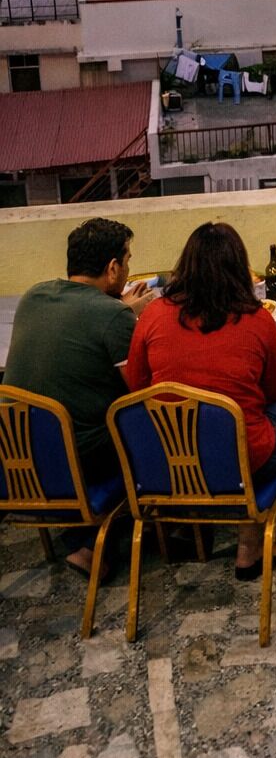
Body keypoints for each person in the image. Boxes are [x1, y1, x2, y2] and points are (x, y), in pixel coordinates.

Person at [126, 222, 276, 580]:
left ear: (185, 266)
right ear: (239, 269)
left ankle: (193, 523)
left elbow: (136, 387)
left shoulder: (151, 316)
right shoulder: (258, 320)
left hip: (169, 465)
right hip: (244, 460)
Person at [4, 217, 153, 577]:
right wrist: (131, 318)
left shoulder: (33, 296)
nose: (128, 267)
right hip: (76, 463)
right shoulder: (112, 316)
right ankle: (98, 540)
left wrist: (120, 308)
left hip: (14, 460)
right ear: (114, 267)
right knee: (149, 425)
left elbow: (81, 322)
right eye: (127, 260)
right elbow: (139, 391)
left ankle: (84, 538)